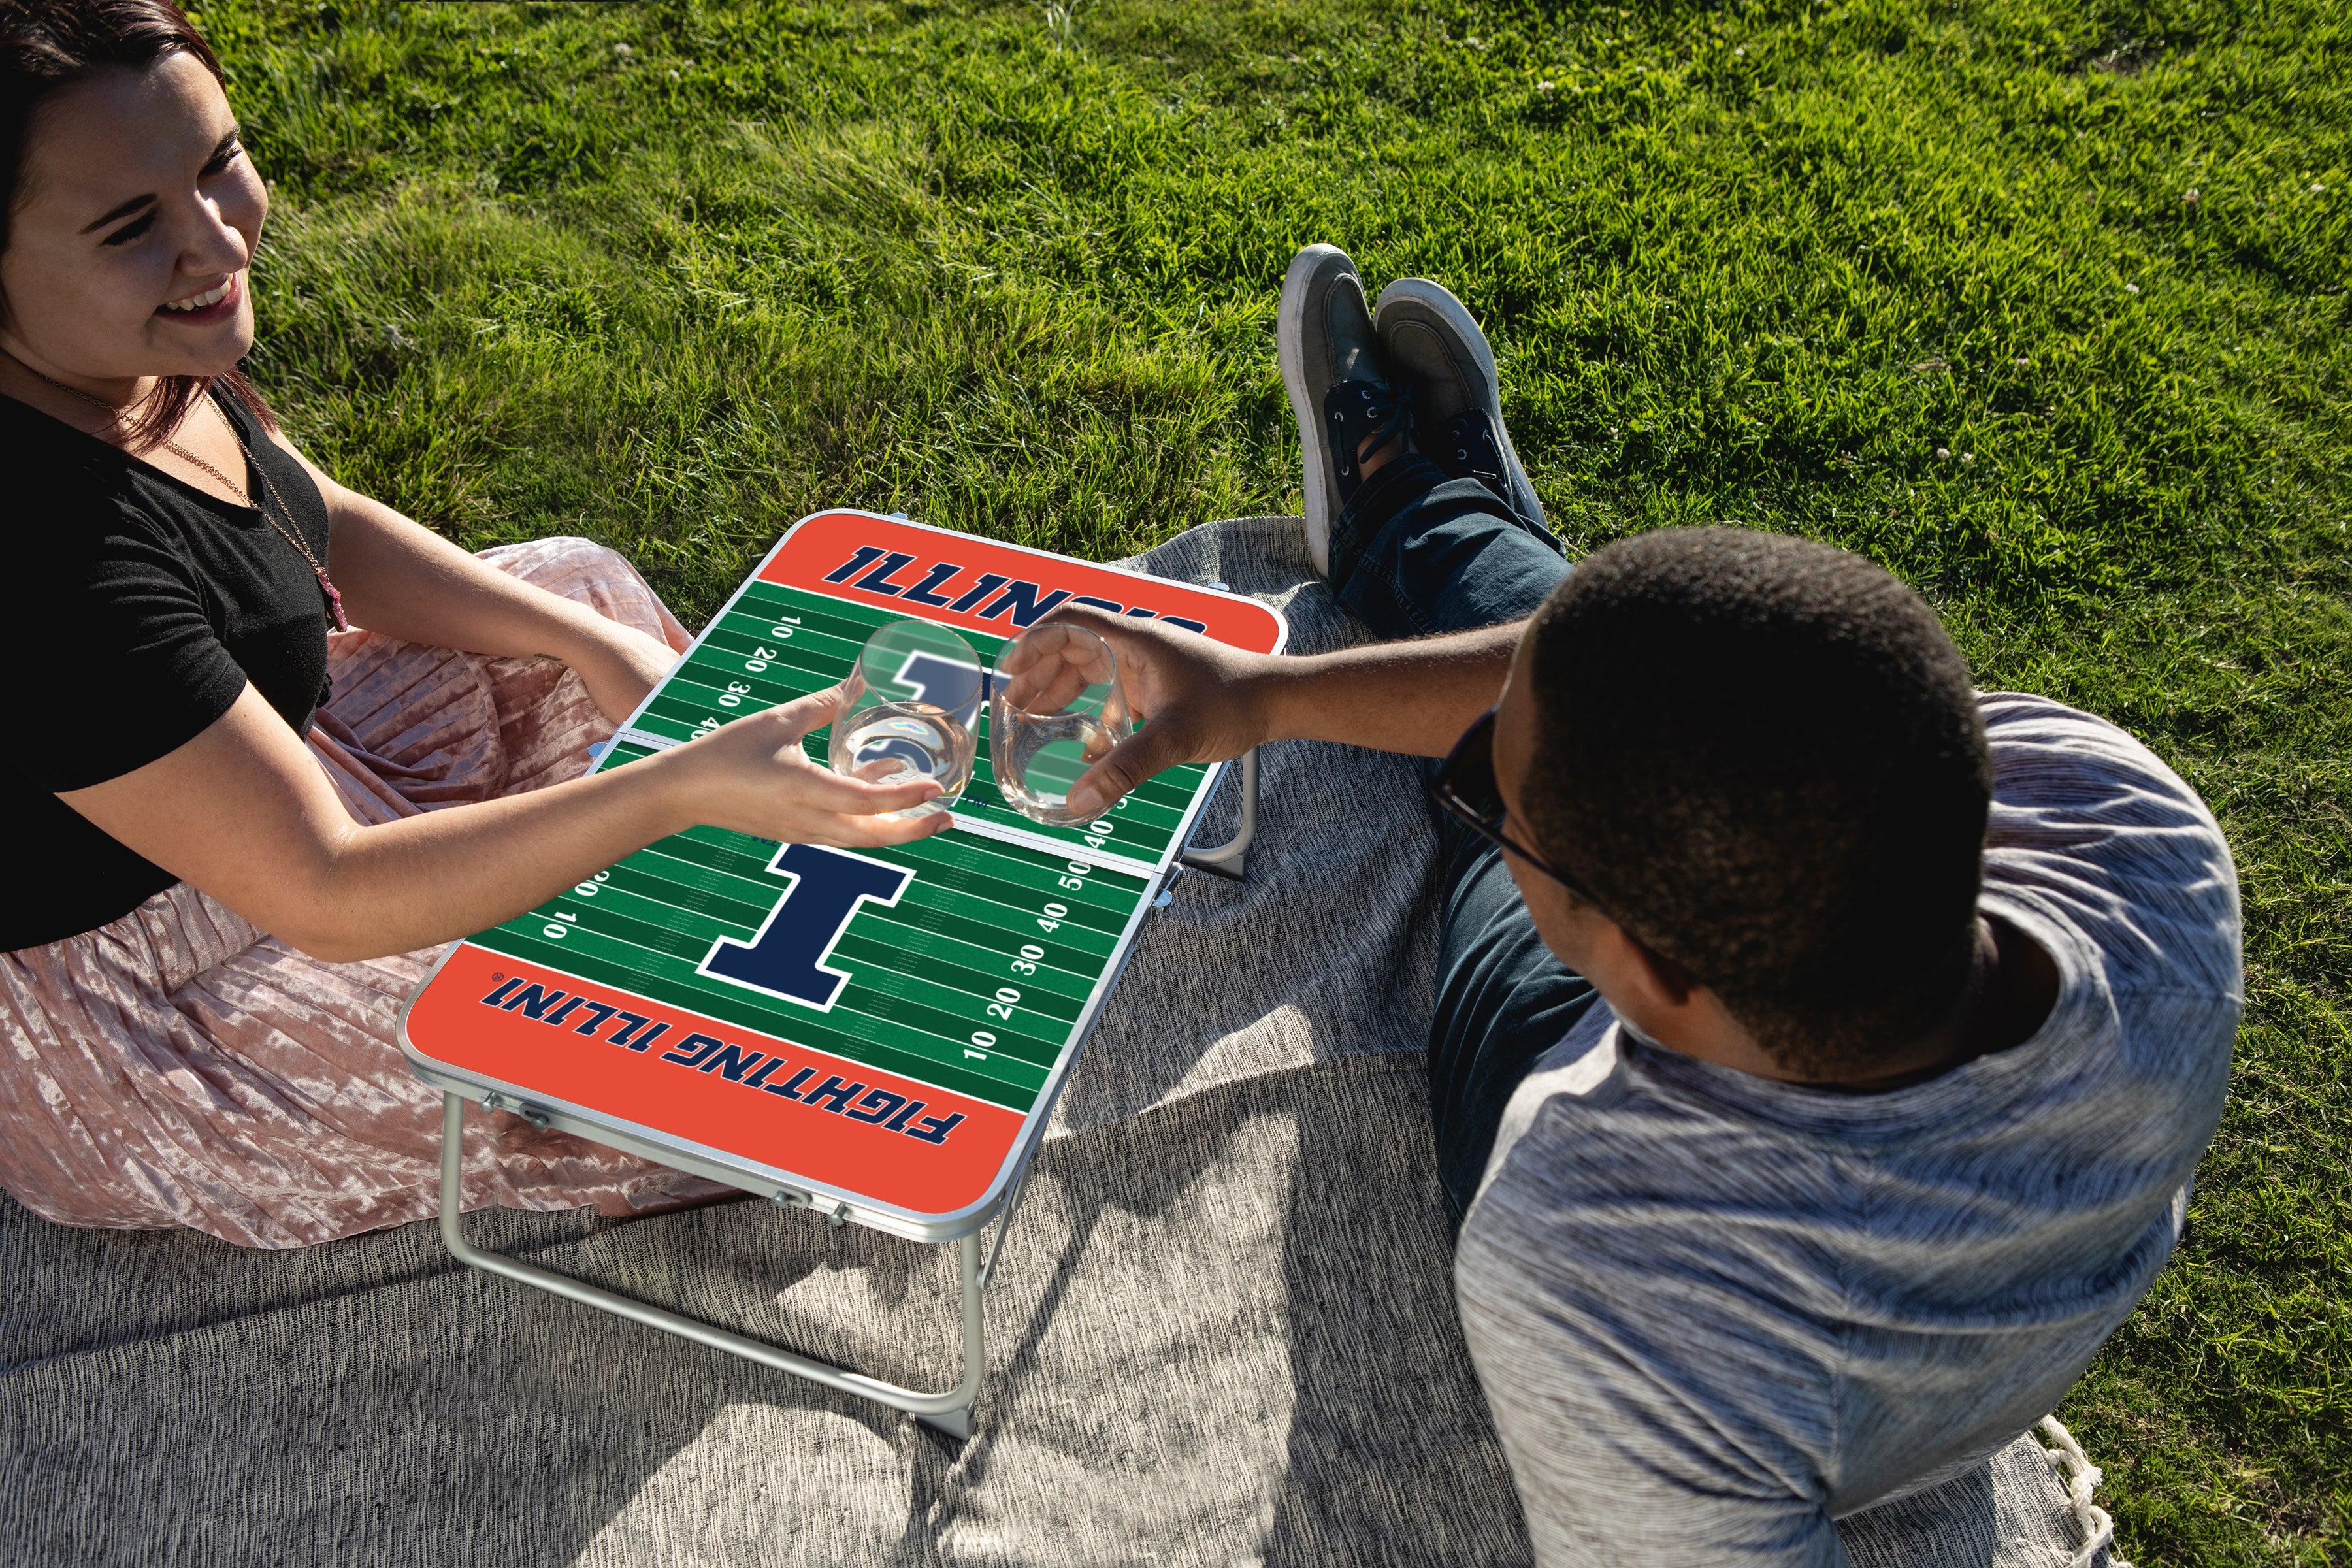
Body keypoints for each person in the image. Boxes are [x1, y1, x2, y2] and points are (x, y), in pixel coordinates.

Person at [1051, 243, 2239, 1564]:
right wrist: (1258, 698)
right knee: (1621, 675)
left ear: (1645, 972)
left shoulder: (1602, 1262)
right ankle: (1445, 528)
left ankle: (1430, 523)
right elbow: (1708, 694)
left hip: (1577, 1081)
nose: (1480, 808)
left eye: (1497, 812)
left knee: (1525, 803)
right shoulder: (2133, 827)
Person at [0, 0, 945, 1248]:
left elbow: (309, 519)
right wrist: (671, 791)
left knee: (575, 588)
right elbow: (327, 891)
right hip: (162, 1004)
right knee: (674, 1062)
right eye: (132, 226)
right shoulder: (42, 554)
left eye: (218, 161)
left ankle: (730, 845)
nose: (217, 236)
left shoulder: (122, 354)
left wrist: (588, 645)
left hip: (285, 775)